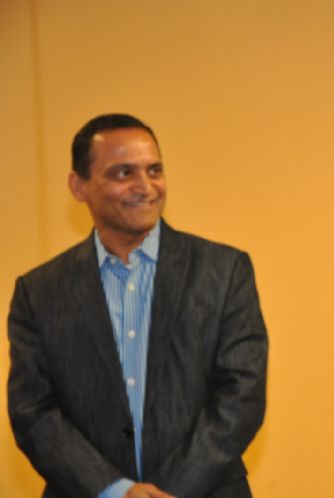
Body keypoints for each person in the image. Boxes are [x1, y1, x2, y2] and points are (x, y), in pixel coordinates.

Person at [7, 114, 268, 498]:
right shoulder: (39, 291)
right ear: (79, 186)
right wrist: (116, 490)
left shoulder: (224, 270)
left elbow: (242, 395)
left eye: (154, 170)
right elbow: (33, 411)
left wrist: (171, 490)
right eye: (123, 173)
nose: (145, 186)